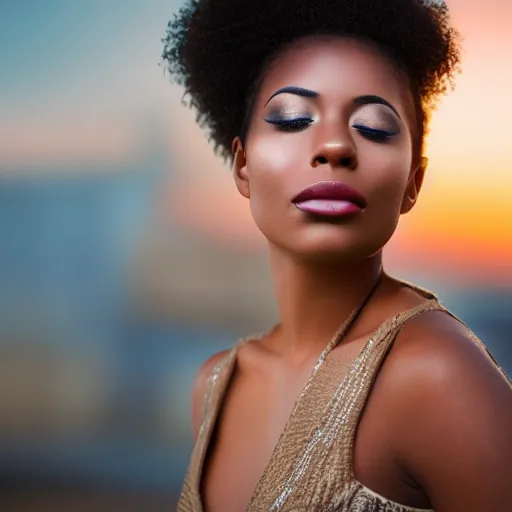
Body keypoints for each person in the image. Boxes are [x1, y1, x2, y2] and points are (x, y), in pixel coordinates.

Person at [162, 0, 512, 510]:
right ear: (242, 165)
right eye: (292, 118)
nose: (334, 146)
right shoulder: (214, 385)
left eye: (373, 127)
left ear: (412, 183)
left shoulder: (438, 375)